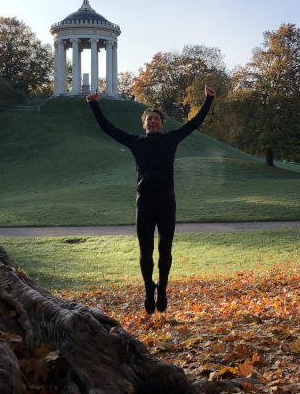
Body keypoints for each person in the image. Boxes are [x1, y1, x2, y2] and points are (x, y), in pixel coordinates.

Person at [86, 86, 216, 313]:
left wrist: (209, 99)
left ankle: (163, 287)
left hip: (167, 202)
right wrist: (94, 104)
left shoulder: (171, 139)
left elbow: (194, 123)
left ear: (162, 124)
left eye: (156, 119)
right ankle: (148, 287)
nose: (153, 122)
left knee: (165, 249)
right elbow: (109, 129)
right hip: (144, 202)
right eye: (149, 119)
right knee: (145, 251)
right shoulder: (135, 142)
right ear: (144, 124)